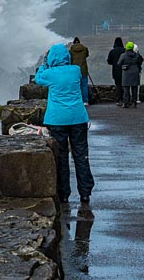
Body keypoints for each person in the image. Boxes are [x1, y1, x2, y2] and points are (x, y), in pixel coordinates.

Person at [35, 44, 95, 204]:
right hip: (78, 118)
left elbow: (38, 78)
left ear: (52, 58)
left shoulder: (49, 73)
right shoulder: (75, 70)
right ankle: (85, 193)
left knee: (61, 157)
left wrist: (45, 62)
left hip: (57, 120)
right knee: (81, 155)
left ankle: (63, 194)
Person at [117, 41, 144, 108]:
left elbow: (119, 63)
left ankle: (126, 103)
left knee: (126, 88)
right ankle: (134, 103)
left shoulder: (123, 55)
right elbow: (141, 61)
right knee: (134, 88)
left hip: (126, 73)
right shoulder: (136, 55)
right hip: (135, 71)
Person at [70, 37, 90, 106]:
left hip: (74, 71)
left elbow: (70, 59)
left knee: (76, 86)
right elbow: (87, 55)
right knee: (84, 85)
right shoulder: (85, 48)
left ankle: (77, 100)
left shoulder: (71, 50)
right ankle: (85, 101)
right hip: (84, 69)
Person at [106, 37, 125, 106]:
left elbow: (109, 61)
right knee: (124, 86)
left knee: (118, 85)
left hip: (115, 71)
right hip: (124, 70)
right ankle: (124, 99)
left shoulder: (112, 51)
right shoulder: (124, 50)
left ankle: (118, 99)